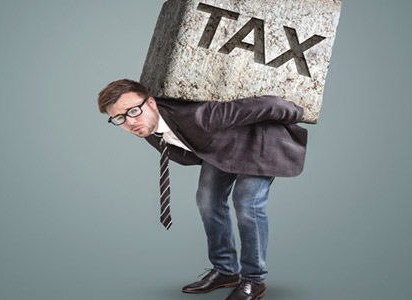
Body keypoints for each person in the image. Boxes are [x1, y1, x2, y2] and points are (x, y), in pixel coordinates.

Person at [97, 79, 307, 300]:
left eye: (133, 111)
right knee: (207, 200)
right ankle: (225, 271)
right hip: (221, 148)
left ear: (151, 103)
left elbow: (268, 103)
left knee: (246, 202)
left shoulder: (198, 115)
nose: (130, 122)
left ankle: (254, 280)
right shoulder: (145, 128)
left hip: (258, 143)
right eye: (119, 118)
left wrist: (297, 113)